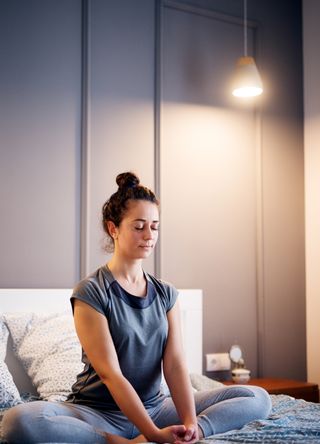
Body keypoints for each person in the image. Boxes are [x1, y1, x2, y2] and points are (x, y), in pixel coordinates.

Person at [2, 172, 272, 444]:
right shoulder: (91, 291)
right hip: (98, 413)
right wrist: (153, 435)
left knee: (256, 397)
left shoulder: (166, 293)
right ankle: (114, 441)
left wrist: (191, 424)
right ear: (114, 228)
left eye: (154, 226)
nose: (149, 235)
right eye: (139, 226)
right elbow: (110, 374)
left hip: (157, 408)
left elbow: (176, 365)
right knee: (17, 422)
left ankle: (192, 432)